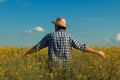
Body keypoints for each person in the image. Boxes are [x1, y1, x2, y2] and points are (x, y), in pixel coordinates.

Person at [25, 17, 106, 67]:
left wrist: (27, 54)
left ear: (56, 26)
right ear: (65, 28)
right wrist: (96, 52)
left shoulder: (49, 36)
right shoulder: (69, 37)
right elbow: (82, 47)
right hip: (67, 67)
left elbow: (38, 47)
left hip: (53, 68)